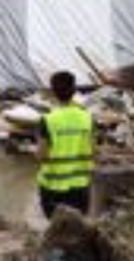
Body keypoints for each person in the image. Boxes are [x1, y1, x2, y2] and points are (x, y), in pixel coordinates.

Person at [36, 71, 95, 221]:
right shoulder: (87, 118)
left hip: (53, 186)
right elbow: (93, 149)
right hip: (80, 185)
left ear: (53, 92)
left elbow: (41, 155)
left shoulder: (48, 120)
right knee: (78, 228)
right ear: (74, 91)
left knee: (57, 228)